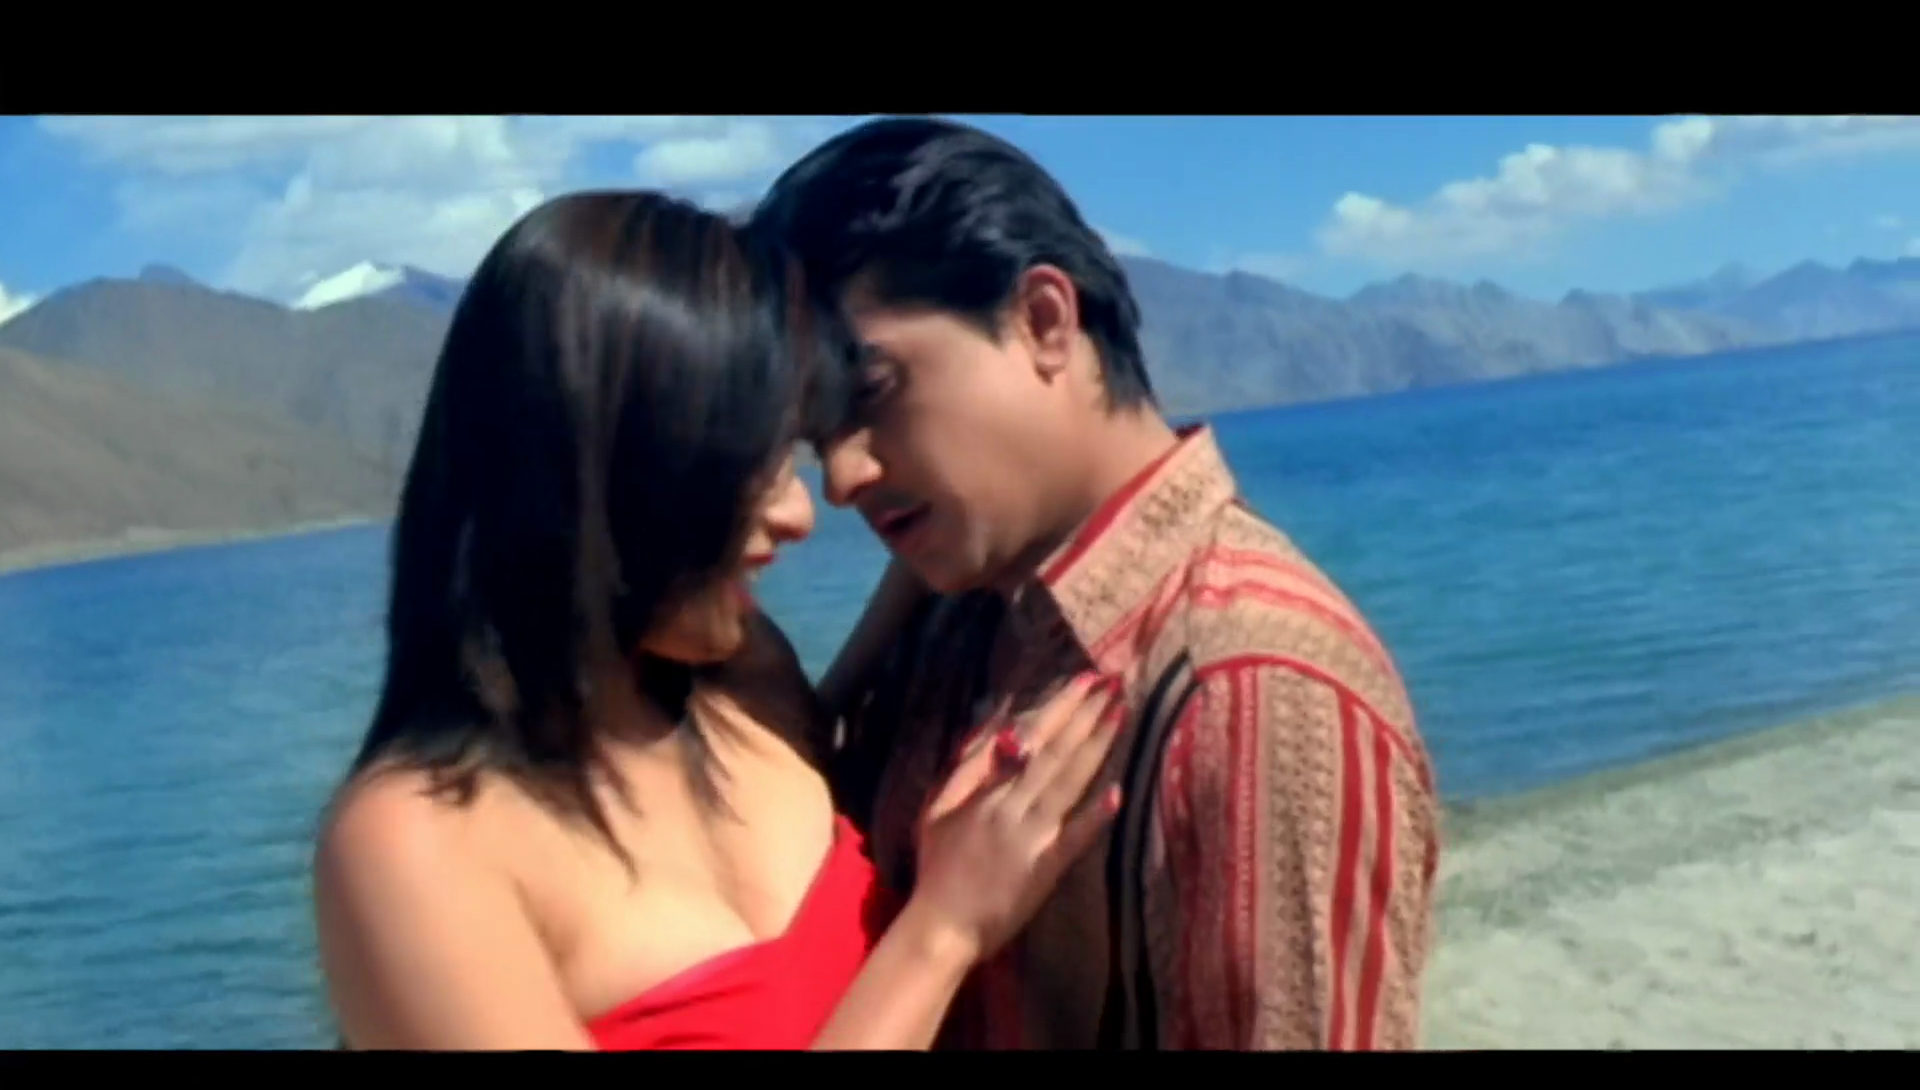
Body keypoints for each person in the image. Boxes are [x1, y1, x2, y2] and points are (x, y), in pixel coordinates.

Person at [310, 189, 1131, 1050]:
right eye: (750, 467)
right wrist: (943, 932)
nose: (799, 512)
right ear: (614, 467)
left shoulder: (746, 687)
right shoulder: (415, 848)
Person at [752, 116, 1443, 1051]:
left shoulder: (1250, 689)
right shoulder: (958, 608)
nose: (841, 477)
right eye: (814, 434)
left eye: (871, 394)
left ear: (1044, 321)